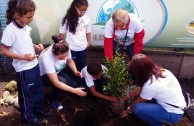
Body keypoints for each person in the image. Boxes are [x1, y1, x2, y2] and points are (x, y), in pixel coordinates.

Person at [0, 0, 48, 125]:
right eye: (29, 17)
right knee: (27, 94)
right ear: (17, 14)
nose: (31, 19)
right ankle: (28, 117)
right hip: (24, 69)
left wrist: (35, 46)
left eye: (32, 16)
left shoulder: (26, 27)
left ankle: (38, 110)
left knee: (37, 89)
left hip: (34, 64)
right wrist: (23, 57)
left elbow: (25, 42)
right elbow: (4, 50)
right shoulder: (10, 31)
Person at [120, 54, 186, 126]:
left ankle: (159, 124)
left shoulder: (150, 85)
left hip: (174, 114)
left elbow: (138, 100)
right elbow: (140, 90)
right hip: (178, 106)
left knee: (137, 108)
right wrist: (127, 97)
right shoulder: (163, 71)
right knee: (142, 99)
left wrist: (128, 111)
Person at [38, 35, 87, 110]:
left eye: (65, 56)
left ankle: (60, 89)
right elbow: (56, 82)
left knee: (73, 84)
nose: (64, 59)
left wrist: (75, 70)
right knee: (61, 83)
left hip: (57, 71)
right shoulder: (46, 58)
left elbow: (70, 61)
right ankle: (52, 100)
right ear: (54, 54)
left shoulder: (64, 47)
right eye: (61, 58)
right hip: (43, 75)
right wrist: (74, 91)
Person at [59, 0, 91, 72]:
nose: (82, 13)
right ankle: (72, 80)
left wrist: (88, 42)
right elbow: (61, 33)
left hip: (83, 46)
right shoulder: (66, 18)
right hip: (71, 47)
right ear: (75, 8)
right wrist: (62, 45)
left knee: (82, 64)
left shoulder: (86, 19)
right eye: (81, 11)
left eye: (84, 11)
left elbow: (88, 32)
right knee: (72, 65)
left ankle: (80, 78)